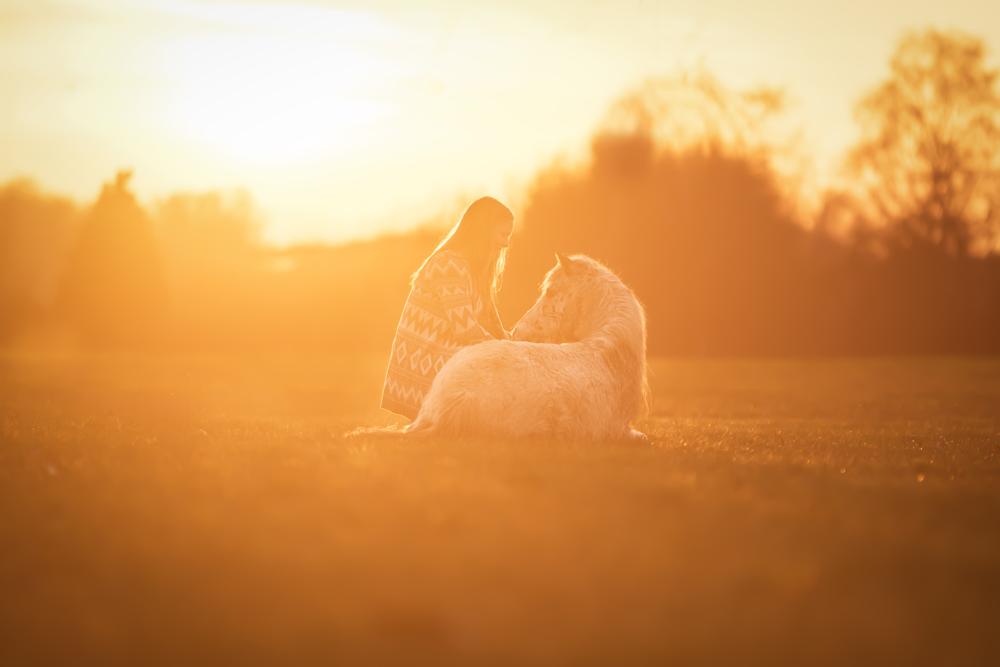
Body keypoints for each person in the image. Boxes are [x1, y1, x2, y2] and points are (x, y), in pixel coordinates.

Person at [381, 196, 514, 420]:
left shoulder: (475, 272)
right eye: (503, 235)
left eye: (508, 236)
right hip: (425, 361)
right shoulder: (449, 265)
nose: (506, 243)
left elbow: (495, 328)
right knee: (495, 371)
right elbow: (466, 330)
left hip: (446, 356)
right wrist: (509, 353)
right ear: (483, 232)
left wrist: (520, 347)